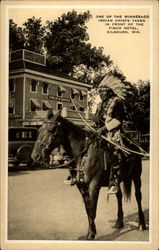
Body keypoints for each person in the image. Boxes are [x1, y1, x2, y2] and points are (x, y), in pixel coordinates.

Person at [95, 73, 131, 195]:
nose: (100, 94)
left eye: (103, 91)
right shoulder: (99, 105)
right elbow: (97, 119)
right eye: (99, 92)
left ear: (109, 91)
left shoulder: (117, 101)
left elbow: (118, 120)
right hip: (100, 132)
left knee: (115, 151)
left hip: (113, 132)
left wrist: (104, 128)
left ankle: (114, 181)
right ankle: (76, 173)